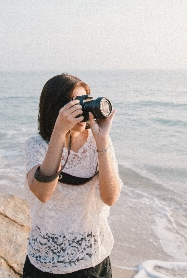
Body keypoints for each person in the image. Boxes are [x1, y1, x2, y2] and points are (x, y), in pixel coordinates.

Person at [23, 73, 122, 278]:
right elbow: (43, 192)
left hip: (93, 258)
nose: (83, 111)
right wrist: (59, 131)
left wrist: (102, 141)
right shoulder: (37, 145)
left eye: (86, 102)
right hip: (46, 262)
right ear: (56, 109)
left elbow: (110, 197)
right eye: (75, 104)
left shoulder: (98, 142)